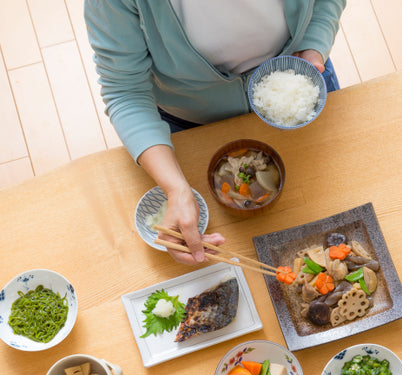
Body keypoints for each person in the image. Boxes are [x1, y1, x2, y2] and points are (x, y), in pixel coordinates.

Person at [84, 0, 345, 264]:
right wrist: (176, 190)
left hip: (301, 90)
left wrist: (315, 42)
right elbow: (124, 90)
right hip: (194, 123)